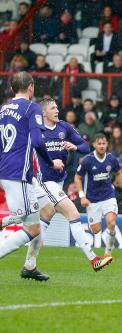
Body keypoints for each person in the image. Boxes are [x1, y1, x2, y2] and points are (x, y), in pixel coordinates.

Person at [24, 97, 112, 273]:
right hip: (44, 181)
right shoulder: (36, 131)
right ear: (44, 113)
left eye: (57, 107)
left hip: (58, 181)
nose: (57, 110)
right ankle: (93, 259)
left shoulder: (65, 127)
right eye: (53, 108)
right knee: (73, 213)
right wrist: (49, 163)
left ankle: (29, 264)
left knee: (45, 218)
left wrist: (74, 146)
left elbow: (86, 148)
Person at [0, 72, 64, 281]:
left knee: (47, 210)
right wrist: (51, 161)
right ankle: (7, 220)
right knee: (31, 227)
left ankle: (30, 265)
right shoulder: (31, 107)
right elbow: (37, 141)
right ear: (30, 87)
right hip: (18, 172)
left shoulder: (3, 109)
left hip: (17, 171)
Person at [74, 134, 122, 259]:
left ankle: (108, 252)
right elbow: (77, 177)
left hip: (108, 196)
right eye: (99, 143)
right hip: (92, 200)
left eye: (104, 143)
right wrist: (82, 196)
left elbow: (119, 174)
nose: (101, 146)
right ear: (94, 145)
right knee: (95, 230)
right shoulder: (87, 160)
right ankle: (99, 229)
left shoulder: (111, 159)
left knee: (111, 222)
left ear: (107, 144)